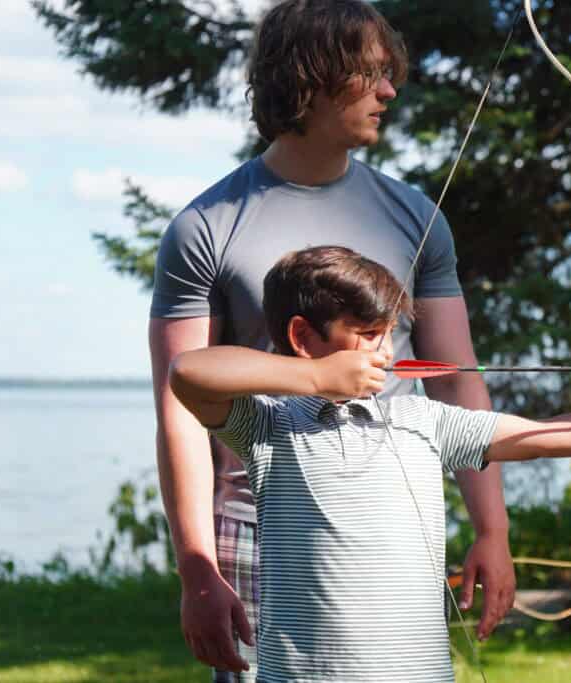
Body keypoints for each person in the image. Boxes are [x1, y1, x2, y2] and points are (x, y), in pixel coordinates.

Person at [168, 246, 571, 683]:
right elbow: (189, 372)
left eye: (389, 334)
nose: (386, 353)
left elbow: (550, 436)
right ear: (302, 336)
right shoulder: (269, 428)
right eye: (367, 336)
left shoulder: (424, 421)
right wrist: (317, 380)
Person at [148, 1, 513, 679]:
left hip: (389, 522)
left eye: (387, 73)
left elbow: (458, 381)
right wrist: (197, 568)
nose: (389, 91)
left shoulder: (416, 217)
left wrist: (493, 528)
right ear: (310, 79)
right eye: (370, 74)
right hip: (256, 530)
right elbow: (180, 407)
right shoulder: (205, 227)